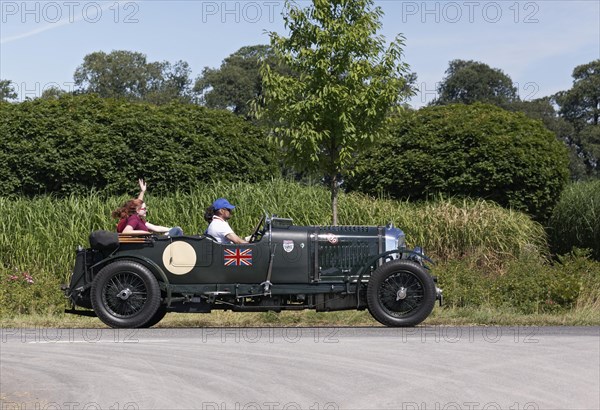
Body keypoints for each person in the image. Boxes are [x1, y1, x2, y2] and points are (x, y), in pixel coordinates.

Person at [112, 179, 183, 236]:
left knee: (176, 229)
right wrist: (146, 233)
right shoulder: (134, 219)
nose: (146, 210)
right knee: (177, 231)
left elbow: (156, 228)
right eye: (144, 209)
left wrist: (142, 192)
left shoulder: (137, 219)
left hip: (146, 244)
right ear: (137, 210)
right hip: (146, 247)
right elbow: (126, 232)